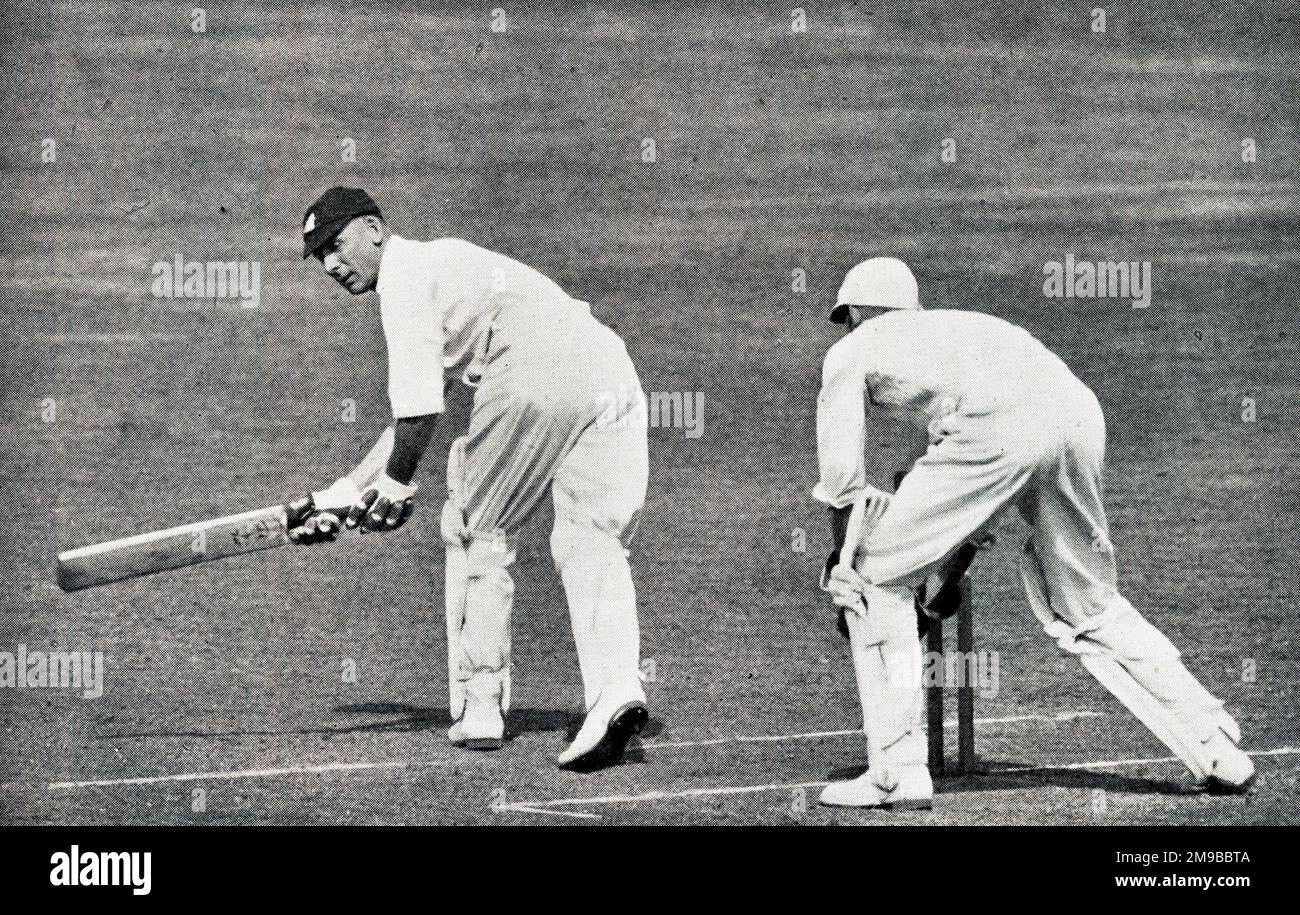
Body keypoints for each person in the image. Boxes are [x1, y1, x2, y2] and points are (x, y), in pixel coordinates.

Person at [816, 256, 1255, 808]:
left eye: (847, 318)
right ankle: (1217, 747)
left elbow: (843, 482)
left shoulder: (852, 350)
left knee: (872, 583)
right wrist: (946, 578)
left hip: (1000, 429)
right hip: (1076, 415)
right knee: (1089, 605)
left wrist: (846, 565)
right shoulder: (965, 332)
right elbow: (978, 485)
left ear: (855, 312)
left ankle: (896, 773)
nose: (848, 328)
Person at [291, 186, 650, 771]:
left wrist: (395, 488)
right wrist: (347, 491)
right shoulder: (448, 264)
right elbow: (410, 417)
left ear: (375, 229)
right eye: (321, 256)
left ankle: (481, 705)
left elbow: (418, 413)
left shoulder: (403, 283)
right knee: (592, 538)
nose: (332, 264)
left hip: (534, 370)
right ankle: (616, 692)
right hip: (608, 368)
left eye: (337, 244)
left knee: (476, 526)